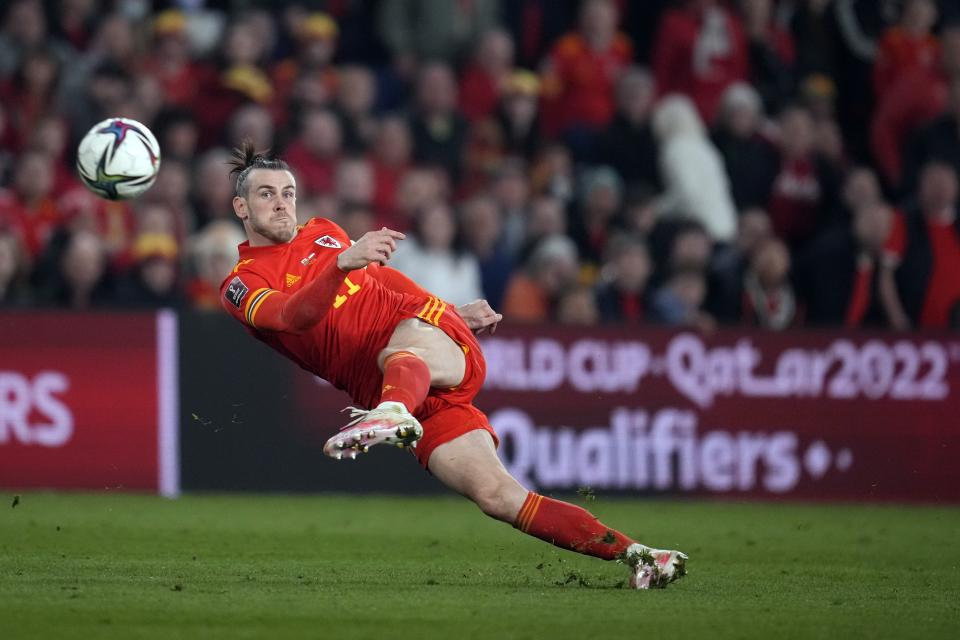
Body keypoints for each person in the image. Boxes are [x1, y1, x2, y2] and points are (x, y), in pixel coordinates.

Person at [219, 142, 688, 589]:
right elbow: (293, 317)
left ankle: (392, 411)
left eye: (288, 193)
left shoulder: (324, 231)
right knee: (500, 497)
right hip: (398, 387)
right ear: (242, 208)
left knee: (398, 349)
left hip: (420, 341)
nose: (282, 204)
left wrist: (449, 312)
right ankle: (645, 557)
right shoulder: (242, 284)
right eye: (266, 194)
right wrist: (340, 265)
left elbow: (386, 280)